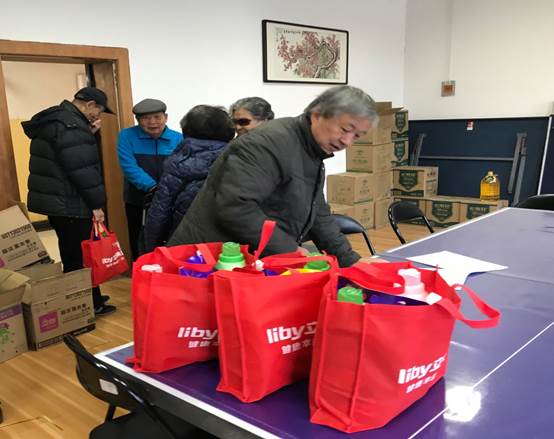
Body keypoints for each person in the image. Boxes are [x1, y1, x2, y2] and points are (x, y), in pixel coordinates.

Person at [168, 85, 377, 267]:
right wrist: (289, 250)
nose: (347, 141)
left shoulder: (311, 149)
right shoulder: (267, 144)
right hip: (207, 261)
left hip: (246, 259)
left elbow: (318, 212)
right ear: (317, 115)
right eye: (345, 129)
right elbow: (236, 207)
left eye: (356, 136)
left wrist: (349, 260)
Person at [22, 87, 117, 316]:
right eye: (98, 111)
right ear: (90, 104)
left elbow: (68, 158)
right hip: (70, 202)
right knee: (79, 256)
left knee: (73, 251)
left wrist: (89, 133)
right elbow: (82, 171)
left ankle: (89, 298)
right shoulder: (72, 126)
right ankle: (84, 305)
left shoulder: (56, 119)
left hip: (57, 201)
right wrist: (96, 205)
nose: (97, 116)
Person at [142, 105, 235, 253]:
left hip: (184, 242)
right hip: (232, 244)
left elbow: (160, 211)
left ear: (186, 130)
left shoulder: (178, 161)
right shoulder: (239, 158)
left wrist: (152, 249)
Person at [117, 98, 183, 260]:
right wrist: (152, 188)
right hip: (138, 199)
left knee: (169, 237)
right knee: (139, 238)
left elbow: (180, 168)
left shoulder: (178, 138)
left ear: (166, 117)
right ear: (137, 120)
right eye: (146, 118)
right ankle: (140, 268)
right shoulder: (126, 136)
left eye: (157, 117)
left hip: (170, 198)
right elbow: (129, 166)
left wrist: (166, 190)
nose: (152, 122)